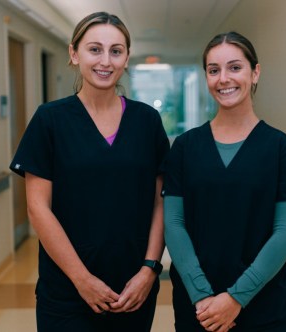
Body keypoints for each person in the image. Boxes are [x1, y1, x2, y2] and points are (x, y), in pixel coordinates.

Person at [9, 12, 169, 331]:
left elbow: (162, 201)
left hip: (133, 290)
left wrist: (149, 270)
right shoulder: (50, 121)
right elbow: (37, 208)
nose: (105, 61)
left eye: (116, 50)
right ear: (74, 54)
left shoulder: (146, 122)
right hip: (67, 291)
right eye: (95, 49)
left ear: (126, 58)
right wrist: (82, 280)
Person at [163, 31, 286, 332]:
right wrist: (203, 297)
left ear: (255, 72)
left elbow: (284, 234)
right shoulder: (185, 147)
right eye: (213, 70)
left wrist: (235, 299)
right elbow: (174, 224)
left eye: (235, 67)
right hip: (199, 309)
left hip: (264, 307)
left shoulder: (281, 148)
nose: (223, 79)